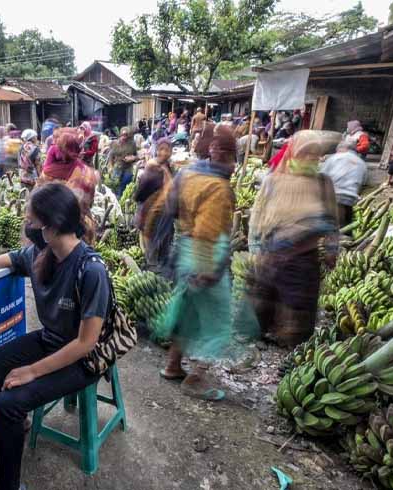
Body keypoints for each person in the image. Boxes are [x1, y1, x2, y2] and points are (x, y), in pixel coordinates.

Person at [0, 184, 110, 490]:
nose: (27, 227)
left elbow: (86, 343)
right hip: (51, 341)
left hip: (82, 359)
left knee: (7, 404)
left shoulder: (91, 270)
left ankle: (9, 484)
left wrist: (31, 371)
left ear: (54, 225)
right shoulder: (41, 253)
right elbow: (9, 259)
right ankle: (18, 422)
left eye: (32, 221)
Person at [156, 127, 241, 401]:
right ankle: (196, 378)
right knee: (217, 320)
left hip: (184, 248)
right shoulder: (218, 188)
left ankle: (172, 366)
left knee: (187, 312)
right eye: (234, 158)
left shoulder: (188, 173)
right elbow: (209, 231)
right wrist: (211, 270)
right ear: (227, 156)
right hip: (205, 253)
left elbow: (169, 206)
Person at [248, 131, 340, 347]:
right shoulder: (273, 180)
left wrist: (331, 249)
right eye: (305, 153)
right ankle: (258, 337)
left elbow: (332, 219)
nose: (310, 159)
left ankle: (295, 347)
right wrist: (255, 247)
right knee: (263, 302)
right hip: (272, 252)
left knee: (299, 304)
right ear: (292, 153)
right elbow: (258, 214)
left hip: (304, 255)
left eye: (315, 155)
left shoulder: (323, 183)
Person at [135, 138, 173, 270]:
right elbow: (140, 194)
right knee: (151, 243)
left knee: (163, 244)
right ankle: (152, 268)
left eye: (167, 150)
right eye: (161, 149)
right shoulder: (152, 167)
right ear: (157, 150)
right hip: (151, 211)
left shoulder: (167, 166)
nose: (164, 153)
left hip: (164, 214)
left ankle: (160, 269)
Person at [321, 141, 367, 227]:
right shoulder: (362, 163)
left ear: (342, 148)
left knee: (325, 225)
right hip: (350, 199)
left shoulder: (334, 158)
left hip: (332, 196)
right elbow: (362, 185)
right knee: (345, 226)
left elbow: (322, 177)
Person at [107, 127, 138, 198]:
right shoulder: (114, 143)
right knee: (115, 186)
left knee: (124, 186)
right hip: (117, 167)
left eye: (126, 135)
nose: (124, 137)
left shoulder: (132, 144)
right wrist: (110, 166)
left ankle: (122, 200)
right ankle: (116, 200)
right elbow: (111, 156)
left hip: (128, 168)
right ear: (120, 135)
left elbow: (136, 156)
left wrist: (133, 158)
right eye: (122, 135)